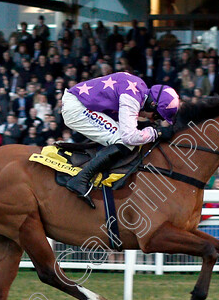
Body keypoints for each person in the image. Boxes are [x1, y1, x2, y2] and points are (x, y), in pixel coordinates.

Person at [60, 71, 180, 208]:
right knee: (124, 142)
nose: (153, 119)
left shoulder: (138, 87)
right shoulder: (132, 99)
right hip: (77, 108)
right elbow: (129, 137)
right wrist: (156, 132)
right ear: (152, 104)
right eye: (157, 116)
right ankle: (80, 179)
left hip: (82, 103)